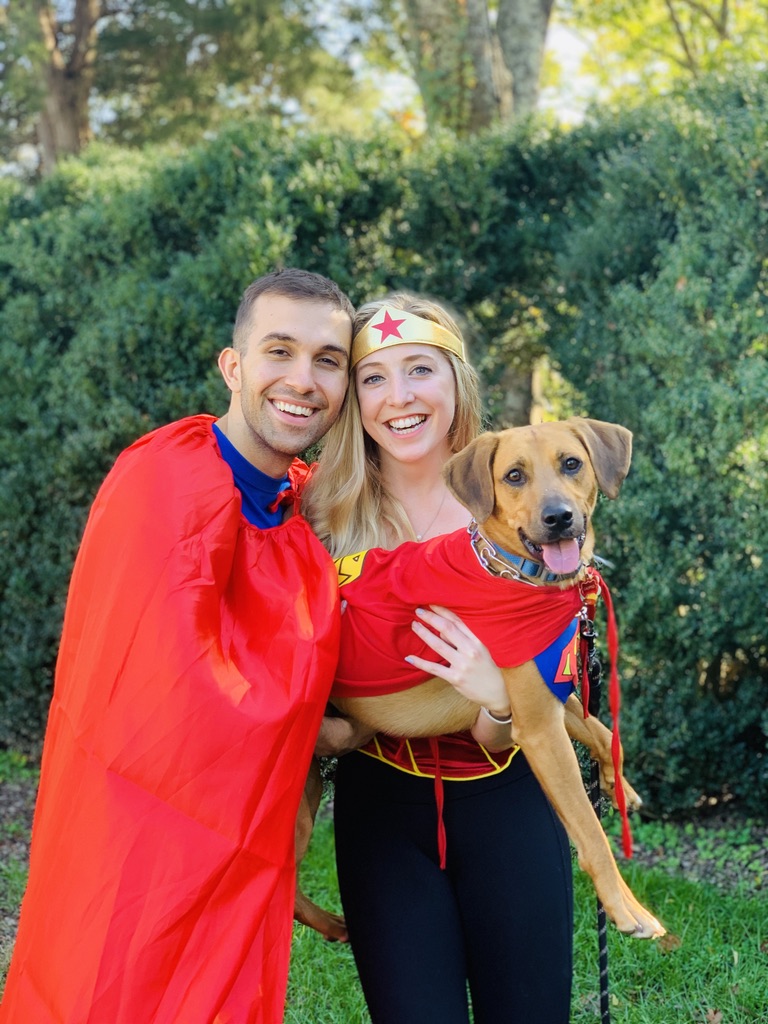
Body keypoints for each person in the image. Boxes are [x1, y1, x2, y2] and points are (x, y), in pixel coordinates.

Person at [0, 268, 356, 1024]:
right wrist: (337, 731)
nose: (303, 379)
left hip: (241, 858)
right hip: (137, 848)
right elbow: (172, 693)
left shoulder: (303, 510)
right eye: (280, 351)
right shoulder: (167, 479)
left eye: (328, 360)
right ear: (234, 366)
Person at [303, 293, 574, 1024]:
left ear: (457, 383)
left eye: (420, 369)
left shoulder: (518, 502)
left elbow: (528, 712)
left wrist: (495, 697)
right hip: (383, 811)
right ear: (353, 399)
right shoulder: (318, 515)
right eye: (374, 377)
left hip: (507, 802)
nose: (400, 398)